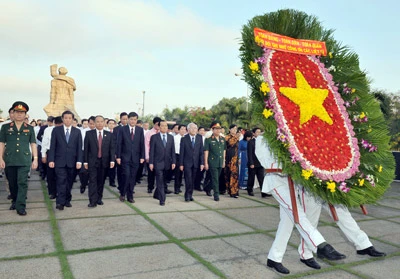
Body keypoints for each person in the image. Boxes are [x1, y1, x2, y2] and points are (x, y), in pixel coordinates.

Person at [255, 136, 345, 274]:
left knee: (287, 222)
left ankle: (275, 258)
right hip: (277, 182)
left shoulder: (292, 134)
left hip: (294, 183)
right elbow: (267, 161)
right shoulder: (263, 138)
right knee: (298, 214)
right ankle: (320, 245)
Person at [296, 189, 386, 270]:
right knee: (310, 221)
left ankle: (363, 245)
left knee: (344, 216)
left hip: (331, 183)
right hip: (309, 185)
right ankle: (306, 254)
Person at [0, 101, 38, 216]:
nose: (19, 114)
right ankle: (15, 201)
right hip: (10, 159)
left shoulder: (30, 128)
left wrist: (35, 158)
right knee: (12, 183)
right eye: (17, 112)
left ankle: (21, 206)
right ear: (13, 113)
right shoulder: (5, 127)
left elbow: (33, 144)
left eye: (22, 112)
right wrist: (0, 158)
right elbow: (1, 143)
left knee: (22, 182)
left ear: (25, 114)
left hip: (24, 160)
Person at [48, 110, 83, 210]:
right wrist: (51, 159)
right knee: (60, 181)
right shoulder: (56, 130)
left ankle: (67, 199)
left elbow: (79, 148)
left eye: (70, 118)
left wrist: (79, 161)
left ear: (72, 119)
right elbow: (52, 146)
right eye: (66, 118)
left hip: (72, 161)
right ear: (63, 119)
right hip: (59, 161)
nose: (68, 120)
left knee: (69, 182)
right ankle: (60, 202)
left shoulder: (77, 131)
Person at [84, 115, 115, 207]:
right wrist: (85, 162)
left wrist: (112, 160)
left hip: (104, 161)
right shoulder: (89, 134)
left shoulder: (109, 134)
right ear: (94, 123)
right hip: (92, 161)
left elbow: (112, 148)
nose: (100, 123)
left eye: (101, 121)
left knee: (101, 181)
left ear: (104, 122)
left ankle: (99, 198)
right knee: (92, 181)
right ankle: (92, 201)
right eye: (97, 121)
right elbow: (86, 149)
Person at [116, 112, 145, 203]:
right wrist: (118, 156)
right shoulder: (122, 129)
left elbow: (142, 144)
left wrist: (142, 156)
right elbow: (119, 144)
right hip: (125, 158)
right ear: (128, 119)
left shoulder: (140, 130)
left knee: (133, 177)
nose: (133, 121)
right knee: (126, 175)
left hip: (136, 158)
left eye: (135, 119)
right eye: (131, 119)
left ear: (137, 120)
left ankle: (130, 196)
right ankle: (123, 193)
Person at [149, 120, 176, 206]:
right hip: (157, 163)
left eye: (166, 126)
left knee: (164, 180)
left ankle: (156, 194)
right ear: (159, 127)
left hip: (168, 163)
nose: (164, 127)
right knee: (159, 181)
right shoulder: (154, 137)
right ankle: (162, 199)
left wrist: (174, 162)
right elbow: (151, 151)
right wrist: (151, 162)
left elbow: (173, 151)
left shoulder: (171, 137)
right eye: (162, 126)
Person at [179, 123, 204, 202]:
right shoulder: (184, 138)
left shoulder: (199, 138)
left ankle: (190, 194)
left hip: (196, 163)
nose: (194, 130)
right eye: (192, 128)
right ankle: (187, 195)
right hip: (187, 163)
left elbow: (201, 152)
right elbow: (181, 152)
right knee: (188, 179)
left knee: (192, 180)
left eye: (195, 128)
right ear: (188, 129)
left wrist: (202, 163)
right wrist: (181, 164)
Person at [204, 121, 226, 201]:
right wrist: (206, 163)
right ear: (212, 130)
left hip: (220, 161)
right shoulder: (208, 140)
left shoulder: (223, 139)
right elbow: (206, 152)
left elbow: (224, 151)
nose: (218, 131)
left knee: (216, 178)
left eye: (219, 129)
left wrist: (224, 161)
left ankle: (207, 187)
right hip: (212, 162)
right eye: (216, 129)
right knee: (215, 179)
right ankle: (216, 195)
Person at [42, 116, 63, 199]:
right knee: (51, 174)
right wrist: (43, 155)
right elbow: (44, 143)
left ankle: (61, 192)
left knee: (61, 174)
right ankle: (52, 192)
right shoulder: (48, 130)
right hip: (50, 152)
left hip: (62, 154)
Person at [247, 127, 270, 197]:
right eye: (257, 132)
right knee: (251, 178)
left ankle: (263, 192)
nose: (259, 133)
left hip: (260, 163)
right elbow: (249, 153)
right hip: (253, 163)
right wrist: (251, 163)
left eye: (260, 132)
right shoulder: (251, 142)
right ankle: (250, 190)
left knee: (261, 178)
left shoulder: (263, 142)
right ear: (253, 133)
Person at [144, 117, 162, 193]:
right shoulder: (149, 133)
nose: (158, 126)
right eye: (157, 124)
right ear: (154, 124)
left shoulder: (162, 133)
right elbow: (146, 145)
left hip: (160, 157)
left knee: (160, 173)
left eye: (159, 124)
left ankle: (160, 188)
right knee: (151, 173)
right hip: (151, 156)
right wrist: (147, 156)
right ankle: (150, 187)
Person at [114, 112, 128, 192]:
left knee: (128, 173)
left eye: (126, 119)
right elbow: (115, 142)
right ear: (120, 119)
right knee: (120, 172)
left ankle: (127, 187)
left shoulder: (131, 129)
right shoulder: (117, 129)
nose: (125, 121)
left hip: (128, 154)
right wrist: (116, 154)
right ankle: (121, 186)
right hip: (120, 154)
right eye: (123, 119)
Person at [225, 124, 240, 198]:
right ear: (229, 129)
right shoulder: (227, 137)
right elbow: (231, 144)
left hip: (235, 158)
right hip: (229, 158)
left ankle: (235, 191)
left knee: (235, 175)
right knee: (229, 174)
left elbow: (237, 149)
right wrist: (236, 137)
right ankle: (231, 190)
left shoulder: (236, 138)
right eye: (233, 129)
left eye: (236, 129)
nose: (235, 130)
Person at [174, 124, 187, 194]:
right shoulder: (175, 138)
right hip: (177, 156)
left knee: (182, 173)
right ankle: (176, 188)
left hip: (185, 157)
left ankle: (179, 187)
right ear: (178, 130)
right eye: (181, 129)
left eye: (184, 129)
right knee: (177, 173)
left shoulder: (186, 138)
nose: (183, 131)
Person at [106, 119, 117, 187]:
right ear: (107, 124)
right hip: (105, 153)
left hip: (113, 153)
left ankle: (112, 182)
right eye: (110, 123)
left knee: (112, 168)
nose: (111, 125)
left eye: (113, 123)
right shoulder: (104, 132)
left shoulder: (117, 132)